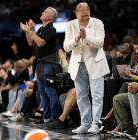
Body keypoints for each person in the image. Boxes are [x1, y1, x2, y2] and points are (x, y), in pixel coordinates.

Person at [63, 2, 110, 134]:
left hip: (96, 64)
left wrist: (86, 36)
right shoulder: (70, 25)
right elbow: (66, 47)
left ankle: (95, 123)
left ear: (89, 12)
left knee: (97, 95)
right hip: (78, 65)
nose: (85, 18)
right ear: (76, 14)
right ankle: (85, 123)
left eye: (87, 15)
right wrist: (76, 38)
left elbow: (100, 42)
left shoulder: (98, 23)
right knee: (81, 96)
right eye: (82, 16)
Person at [20, 7, 61, 124]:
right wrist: (29, 30)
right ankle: (46, 118)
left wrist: (30, 31)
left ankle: (54, 118)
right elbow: (31, 42)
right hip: (40, 64)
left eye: (45, 12)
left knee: (50, 91)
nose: (42, 12)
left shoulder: (51, 29)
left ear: (50, 17)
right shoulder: (41, 29)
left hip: (50, 64)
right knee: (42, 92)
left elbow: (40, 43)